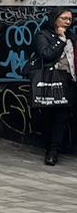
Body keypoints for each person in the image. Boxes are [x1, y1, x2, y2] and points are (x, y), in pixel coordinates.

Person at [32, 9, 75, 165]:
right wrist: (60, 40)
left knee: (63, 117)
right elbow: (46, 55)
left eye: (70, 19)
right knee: (50, 116)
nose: (67, 22)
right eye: (63, 18)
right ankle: (50, 149)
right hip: (51, 81)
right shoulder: (43, 35)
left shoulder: (72, 37)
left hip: (69, 81)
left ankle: (54, 150)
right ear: (55, 19)